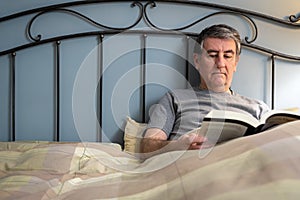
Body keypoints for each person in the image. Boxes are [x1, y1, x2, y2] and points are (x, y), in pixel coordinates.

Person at [140, 24, 270, 156]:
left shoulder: (258, 108)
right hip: (189, 165)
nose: (220, 64)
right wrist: (178, 146)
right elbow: (147, 146)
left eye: (227, 56)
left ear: (235, 62)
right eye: (213, 55)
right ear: (197, 61)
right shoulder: (175, 99)